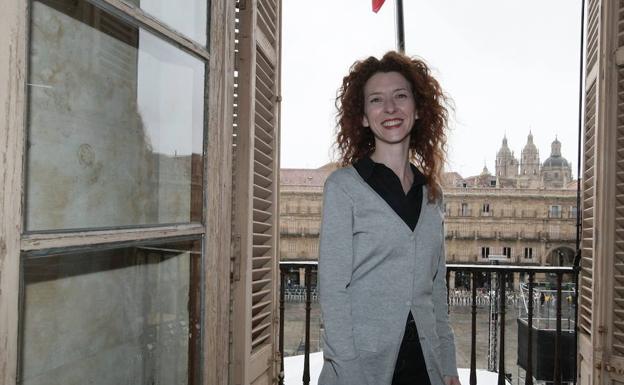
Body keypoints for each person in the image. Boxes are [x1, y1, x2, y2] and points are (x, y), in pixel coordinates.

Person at [317, 51, 460, 385]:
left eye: (400, 96)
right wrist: (350, 373)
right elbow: (333, 293)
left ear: (419, 109)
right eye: (376, 100)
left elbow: (436, 293)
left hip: (426, 368)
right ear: (364, 117)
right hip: (361, 371)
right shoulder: (344, 188)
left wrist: (448, 365)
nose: (391, 108)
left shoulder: (433, 196)